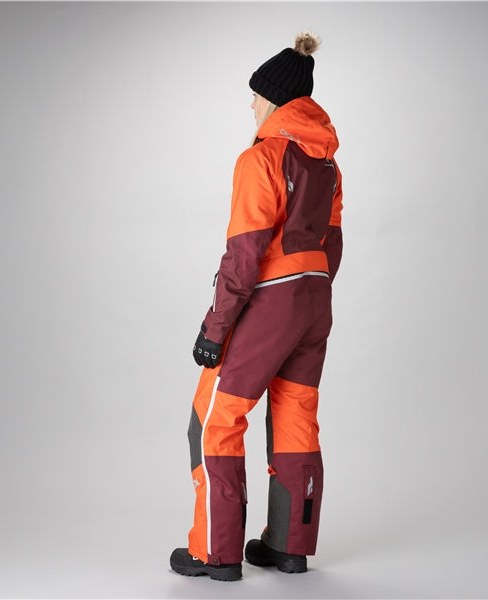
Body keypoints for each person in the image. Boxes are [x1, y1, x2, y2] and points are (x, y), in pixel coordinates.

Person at [170, 31, 343, 582]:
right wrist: (307, 298)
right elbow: (333, 246)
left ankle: (215, 553)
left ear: (273, 99)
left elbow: (244, 256)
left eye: (256, 96)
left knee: (215, 418)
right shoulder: (327, 166)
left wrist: (215, 329)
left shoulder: (262, 157)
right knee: (296, 417)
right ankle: (289, 548)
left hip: (271, 301)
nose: (250, 105)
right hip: (315, 302)